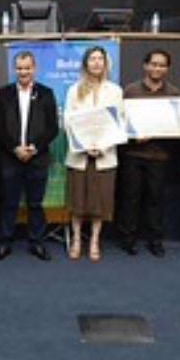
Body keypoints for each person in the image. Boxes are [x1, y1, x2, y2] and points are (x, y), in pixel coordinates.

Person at [0, 51, 59, 261]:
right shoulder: (4, 94)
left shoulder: (46, 93)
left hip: (37, 158)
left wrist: (34, 147)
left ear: (34, 68)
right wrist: (15, 148)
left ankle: (37, 243)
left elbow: (53, 128)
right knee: (9, 203)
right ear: (15, 69)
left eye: (27, 68)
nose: (23, 72)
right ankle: (4, 242)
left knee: (35, 204)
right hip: (10, 158)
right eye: (20, 68)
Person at [118, 49, 180, 257]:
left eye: (162, 65)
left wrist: (177, 129)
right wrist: (132, 136)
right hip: (133, 155)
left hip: (160, 155)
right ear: (145, 66)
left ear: (167, 69)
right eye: (154, 64)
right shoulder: (130, 91)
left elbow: (178, 125)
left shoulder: (174, 94)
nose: (157, 68)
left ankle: (155, 240)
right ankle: (128, 239)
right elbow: (120, 124)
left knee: (156, 199)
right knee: (131, 198)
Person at [64, 46, 123, 262]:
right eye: (92, 59)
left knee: (100, 202)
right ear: (86, 64)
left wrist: (103, 146)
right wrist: (84, 145)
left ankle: (95, 241)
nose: (96, 62)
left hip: (105, 155)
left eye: (100, 59)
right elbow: (68, 122)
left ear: (106, 64)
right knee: (78, 201)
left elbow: (118, 123)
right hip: (80, 155)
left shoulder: (115, 91)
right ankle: (77, 240)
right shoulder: (74, 90)